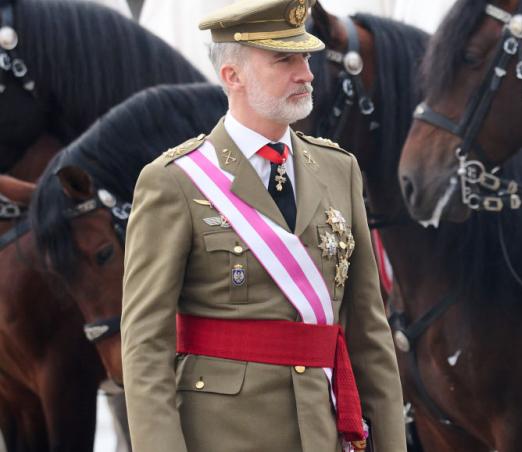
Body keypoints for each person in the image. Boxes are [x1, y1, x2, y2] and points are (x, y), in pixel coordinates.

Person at [120, 0, 406, 450]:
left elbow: (370, 331)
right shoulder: (173, 182)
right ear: (232, 76)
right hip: (223, 435)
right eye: (284, 59)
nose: (306, 74)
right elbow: (145, 349)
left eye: (306, 57)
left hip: (325, 434)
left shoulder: (339, 169)